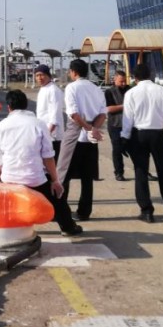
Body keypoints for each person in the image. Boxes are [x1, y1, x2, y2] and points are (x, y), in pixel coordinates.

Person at [0, 90, 82, 236]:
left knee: (7, 205)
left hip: (9, 179)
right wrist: (55, 180)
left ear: (9, 107)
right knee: (58, 198)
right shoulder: (38, 124)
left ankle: (6, 231)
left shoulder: (0, 126)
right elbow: (48, 156)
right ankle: (68, 227)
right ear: (26, 105)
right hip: (34, 179)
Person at [121, 63, 163, 223]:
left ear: (135, 78)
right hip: (158, 134)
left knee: (141, 172)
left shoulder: (131, 93)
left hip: (139, 134)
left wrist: (124, 138)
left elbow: (128, 119)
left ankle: (146, 211)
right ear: (150, 75)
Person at [55, 59, 107, 222]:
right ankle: (84, 212)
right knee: (87, 178)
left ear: (73, 72)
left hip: (75, 135)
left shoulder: (72, 87)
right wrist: (94, 129)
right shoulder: (97, 89)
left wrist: (87, 128)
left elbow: (74, 114)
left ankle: (60, 211)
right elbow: (102, 114)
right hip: (91, 138)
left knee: (63, 174)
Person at [105, 70, 129, 181]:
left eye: (124, 81)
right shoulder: (109, 92)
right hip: (115, 125)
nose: (123, 84)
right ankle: (119, 172)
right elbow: (109, 109)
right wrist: (125, 106)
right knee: (117, 149)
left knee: (136, 149)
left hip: (129, 124)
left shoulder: (130, 90)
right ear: (115, 80)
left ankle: (143, 171)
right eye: (121, 82)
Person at [34, 64, 64, 155]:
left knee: (53, 164)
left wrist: (47, 134)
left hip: (52, 136)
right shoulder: (43, 89)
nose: (40, 78)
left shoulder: (53, 90)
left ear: (49, 76)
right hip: (44, 133)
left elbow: (54, 115)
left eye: (42, 75)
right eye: (37, 75)